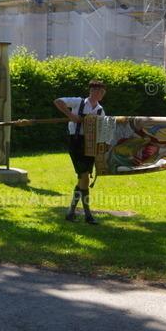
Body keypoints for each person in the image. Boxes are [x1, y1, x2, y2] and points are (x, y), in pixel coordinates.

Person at [53, 80, 107, 224]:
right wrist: (71, 116)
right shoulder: (78, 102)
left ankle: (70, 212)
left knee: (82, 179)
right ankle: (88, 215)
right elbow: (58, 101)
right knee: (84, 177)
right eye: (99, 91)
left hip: (90, 146)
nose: (101, 94)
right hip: (76, 143)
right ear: (91, 90)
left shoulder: (101, 111)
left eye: (103, 92)